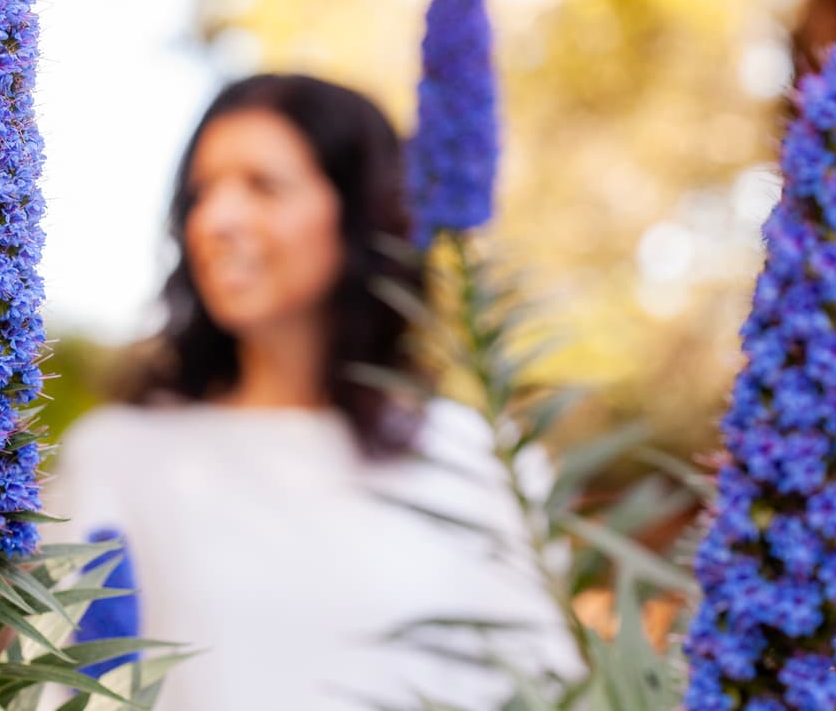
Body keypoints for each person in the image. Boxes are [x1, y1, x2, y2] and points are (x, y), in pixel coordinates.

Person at [43, 74, 582, 710]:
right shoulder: (119, 454)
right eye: (200, 193)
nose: (215, 219)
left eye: (263, 186)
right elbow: (57, 688)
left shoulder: (483, 460)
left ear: (357, 210)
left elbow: (548, 690)